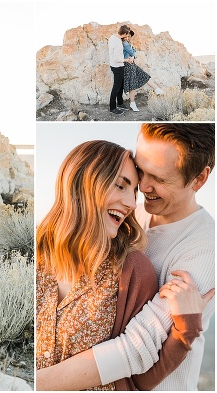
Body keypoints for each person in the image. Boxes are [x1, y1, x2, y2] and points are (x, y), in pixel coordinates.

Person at [36, 123, 215, 390]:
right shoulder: (129, 218)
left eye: (159, 178)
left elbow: (135, 349)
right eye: (140, 171)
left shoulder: (205, 248)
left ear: (199, 180)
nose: (142, 188)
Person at [122, 30, 165, 112]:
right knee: (132, 84)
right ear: (123, 36)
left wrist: (133, 56)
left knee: (143, 75)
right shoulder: (125, 43)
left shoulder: (128, 44)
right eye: (126, 36)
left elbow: (134, 53)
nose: (127, 38)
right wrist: (133, 55)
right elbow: (131, 52)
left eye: (129, 36)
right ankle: (132, 103)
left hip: (132, 64)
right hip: (127, 66)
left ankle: (156, 89)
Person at [108, 25, 134, 115]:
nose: (127, 36)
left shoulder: (113, 37)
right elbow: (117, 58)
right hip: (117, 66)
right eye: (126, 35)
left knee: (120, 85)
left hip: (115, 65)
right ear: (123, 34)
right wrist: (126, 60)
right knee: (116, 87)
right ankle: (112, 107)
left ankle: (120, 103)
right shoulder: (118, 44)